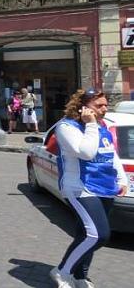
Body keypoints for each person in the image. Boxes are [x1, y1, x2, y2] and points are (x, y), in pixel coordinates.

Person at [49, 89, 128, 288]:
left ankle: (79, 275)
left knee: (84, 234)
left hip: (105, 187)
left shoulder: (103, 126)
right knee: (98, 235)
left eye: (105, 105)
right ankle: (62, 271)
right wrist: (91, 125)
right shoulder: (67, 127)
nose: (104, 109)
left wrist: (122, 178)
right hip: (80, 188)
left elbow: (111, 154)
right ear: (82, 107)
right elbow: (85, 152)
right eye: (98, 105)